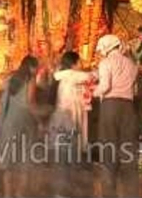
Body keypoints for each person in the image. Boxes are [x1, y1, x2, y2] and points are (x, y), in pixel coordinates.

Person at [0, 55, 40, 197]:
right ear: (31, 67)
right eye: (36, 67)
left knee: (8, 164)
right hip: (23, 124)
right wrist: (41, 120)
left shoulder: (10, 79)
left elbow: (2, 100)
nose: (37, 70)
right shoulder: (30, 79)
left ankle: (8, 194)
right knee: (23, 163)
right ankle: (20, 194)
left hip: (7, 123)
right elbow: (31, 103)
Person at [93, 34, 140, 198]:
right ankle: (132, 194)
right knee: (128, 151)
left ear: (105, 47)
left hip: (110, 106)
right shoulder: (132, 64)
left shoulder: (106, 63)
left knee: (108, 149)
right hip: (128, 107)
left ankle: (109, 194)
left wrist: (91, 92)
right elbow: (135, 90)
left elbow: (105, 86)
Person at [47, 51, 95, 197]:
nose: (81, 65)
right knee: (70, 157)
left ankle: (61, 192)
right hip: (69, 121)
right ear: (73, 63)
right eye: (80, 62)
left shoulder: (61, 75)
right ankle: (66, 191)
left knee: (63, 157)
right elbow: (92, 76)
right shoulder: (72, 75)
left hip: (61, 120)